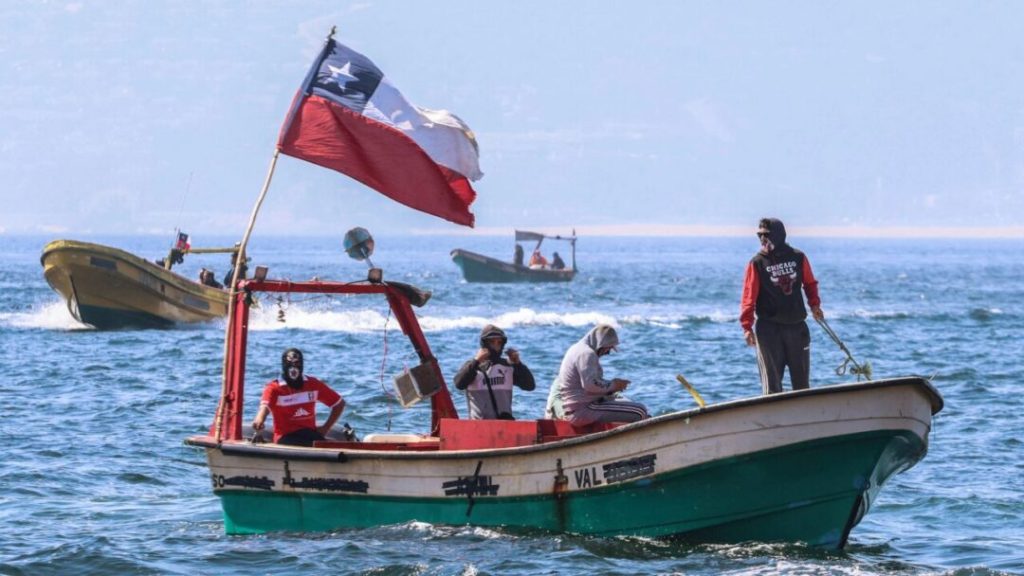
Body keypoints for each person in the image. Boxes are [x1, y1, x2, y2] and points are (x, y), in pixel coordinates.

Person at [740, 217, 825, 395]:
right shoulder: (757, 263)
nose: (763, 239)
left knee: (802, 385)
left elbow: (810, 284)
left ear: (778, 235)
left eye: (766, 235)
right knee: (772, 387)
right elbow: (749, 296)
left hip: (797, 328)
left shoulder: (798, 257)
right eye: (759, 235)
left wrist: (815, 305)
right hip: (769, 331)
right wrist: (747, 327)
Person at [545, 324, 648, 425]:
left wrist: (612, 388)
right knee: (640, 411)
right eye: (608, 348)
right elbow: (590, 385)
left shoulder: (577, 348)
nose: (607, 353)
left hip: (577, 408)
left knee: (628, 403)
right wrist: (614, 385)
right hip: (583, 410)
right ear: (600, 344)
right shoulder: (586, 354)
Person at [251, 348, 346, 446]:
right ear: (284, 365)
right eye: (290, 364)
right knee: (314, 445)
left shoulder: (313, 384)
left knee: (325, 444)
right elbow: (265, 407)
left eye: (297, 364)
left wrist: (326, 428)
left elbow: (339, 404)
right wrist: (259, 419)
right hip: (285, 437)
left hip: (309, 433)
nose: (293, 368)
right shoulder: (274, 387)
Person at [452, 325, 536, 419]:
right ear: (485, 344)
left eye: (499, 342)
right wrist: (476, 361)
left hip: (504, 424)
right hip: (478, 426)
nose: (496, 346)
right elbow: (459, 384)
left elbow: (530, 386)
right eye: (492, 342)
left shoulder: (508, 367)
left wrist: (518, 364)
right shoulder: (473, 367)